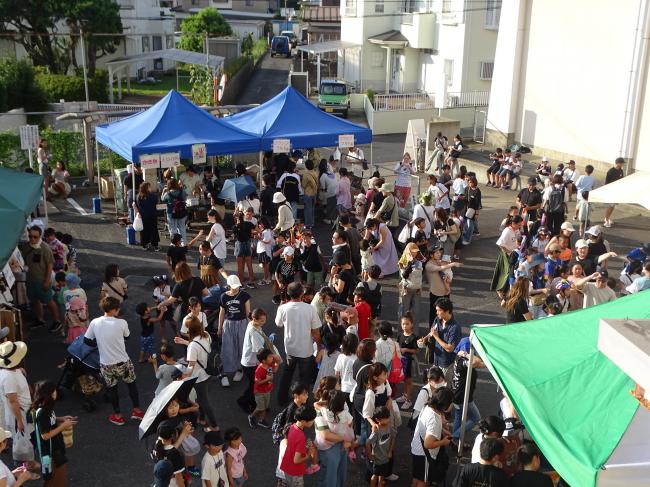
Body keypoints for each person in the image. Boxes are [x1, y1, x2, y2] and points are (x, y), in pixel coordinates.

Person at [84, 297, 143, 426]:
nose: (119, 310)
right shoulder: (121, 323)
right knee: (131, 385)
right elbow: (127, 337)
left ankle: (117, 415)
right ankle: (137, 411)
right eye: (117, 308)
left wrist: (100, 343)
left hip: (106, 364)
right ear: (113, 310)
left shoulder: (95, 322)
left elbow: (87, 340)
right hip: (123, 362)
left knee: (112, 389)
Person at [275, 283, 322, 405]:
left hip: (290, 348)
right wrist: (320, 345)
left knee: (287, 373)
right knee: (304, 378)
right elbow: (316, 331)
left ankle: (282, 399)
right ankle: (303, 402)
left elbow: (278, 324)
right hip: (305, 349)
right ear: (302, 293)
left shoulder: (283, 308)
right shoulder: (310, 308)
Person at [174, 317, 220, 432]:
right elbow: (198, 346)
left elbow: (191, 365)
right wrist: (184, 342)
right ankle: (202, 418)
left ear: (190, 330)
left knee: (204, 400)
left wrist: (182, 375)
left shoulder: (192, 346)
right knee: (201, 398)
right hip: (207, 372)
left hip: (199, 377)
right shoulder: (206, 335)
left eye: (186, 327)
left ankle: (214, 426)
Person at [30, 381, 77, 487]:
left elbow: (50, 422)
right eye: (53, 391)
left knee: (56, 477)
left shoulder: (46, 408)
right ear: (48, 394)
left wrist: (62, 419)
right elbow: (45, 435)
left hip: (55, 448)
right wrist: (63, 426)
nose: (56, 393)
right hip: (51, 451)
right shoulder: (42, 413)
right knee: (57, 478)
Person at [0, 341, 37, 470]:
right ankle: (26, 467)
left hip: (23, 410)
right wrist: (19, 421)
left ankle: (27, 463)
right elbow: (13, 401)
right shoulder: (8, 377)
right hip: (19, 414)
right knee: (22, 440)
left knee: (26, 438)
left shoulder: (13, 371)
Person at [19, 226, 61, 330]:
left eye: (35, 237)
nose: (32, 239)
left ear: (40, 236)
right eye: (30, 236)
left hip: (42, 280)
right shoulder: (26, 246)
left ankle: (57, 321)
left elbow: (50, 265)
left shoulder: (45, 248)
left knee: (49, 300)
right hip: (30, 279)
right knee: (34, 300)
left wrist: (47, 281)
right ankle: (40, 319)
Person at [410, 387, 453, 487]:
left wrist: (442, 430)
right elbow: (428, 444)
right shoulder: (434, 419)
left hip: (417, 450)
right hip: (424, 455)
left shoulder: (428, 406)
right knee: (423, 481)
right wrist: (444, 442)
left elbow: (428, 428)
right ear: (445, 404)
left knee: (417, 478)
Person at [217, 276, 251, 387]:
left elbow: (248, 313)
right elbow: (222, 313)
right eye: (234, 286)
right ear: (228, 286)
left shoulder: (244, 295)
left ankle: (240, 370)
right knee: (228, 348)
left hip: (242, 324)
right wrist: (219, 327)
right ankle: (225, 372)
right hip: (228, 324)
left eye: (237, 286)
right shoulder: (223, 296)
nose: (236, 288)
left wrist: (252, 327)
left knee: (242, 347)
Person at [450, 338, 483, 444]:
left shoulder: (458, 358)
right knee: (476, 419)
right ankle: (454, 436)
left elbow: (478, 364)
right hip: (463, 396)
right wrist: (467, 354)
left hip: (456, 394)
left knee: (458, 417)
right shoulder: (462, 361)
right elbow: (475, 361)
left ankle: (455, 440)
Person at [421, 297, 460, 380]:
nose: (436, 313)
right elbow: (432, 331)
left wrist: (436, 337)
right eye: (436, 310)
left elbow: (450, 348)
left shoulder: (454, 328)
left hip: (447, 365)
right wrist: (424, 339)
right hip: (436, 360)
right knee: (434, 384)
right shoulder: (437, 319)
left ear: (447, 311)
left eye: (439, 310)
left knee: (444, 388)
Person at [280, 406, 318, 487]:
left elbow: (294, 444)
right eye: (312, 420)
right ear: (304, 421)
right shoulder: (301, 437)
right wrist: (309, 454)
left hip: (287, 466)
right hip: (295, 471)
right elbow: (296, 460)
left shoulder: (292, 426)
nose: (313, 422)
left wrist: (305, 446)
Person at [367, 406, 396, 487]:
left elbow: (393, 437)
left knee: (382, 476)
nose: (387, 419)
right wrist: (370, 456)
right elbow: (367, 443)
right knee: (375, 475)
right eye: (385, 418)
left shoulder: (390, 427)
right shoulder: (376, 431)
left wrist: (390, 451)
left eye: (388, 417)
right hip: (377, 459)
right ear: (377, 420)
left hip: (386, 458)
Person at [250, 348, 279, 428]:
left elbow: (274, 370)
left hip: (267, 390)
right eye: (269, 357)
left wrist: (278, 363)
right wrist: (267, 379)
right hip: (259, 392)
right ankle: (252, 416)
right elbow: (257, 382)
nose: (272, 358)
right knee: (260, 407)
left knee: (265, 407)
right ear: (263, 361)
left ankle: (261, 420)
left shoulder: (269, 365)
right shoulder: (259, 370)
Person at [152, 421, 186, 487]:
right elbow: (178, 476)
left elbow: (169, 450)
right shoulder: (175, 454)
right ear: (172, 435)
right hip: (171, 482)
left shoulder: (155, 445)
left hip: (159, 479)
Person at [396, 313, 418, 410]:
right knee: (404, 379)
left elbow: (416, 350)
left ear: (412, 324)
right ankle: (405, 396)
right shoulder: (400, 335)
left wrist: (406, 350)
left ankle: (409, 400)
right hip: (402, 361)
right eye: (403, 324)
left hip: (409, 361)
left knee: (409, 381)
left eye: (407, 324)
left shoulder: (413, 337)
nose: (405, 326)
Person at [134, 182, 160, 251]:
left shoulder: (137, 196)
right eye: (149, 187)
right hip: (152, 215)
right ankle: (155, 245)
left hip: (142, 216)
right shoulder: (153, 196)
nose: (151, 188)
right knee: (153, 230)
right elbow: (157, 205)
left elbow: (135, 205)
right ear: (147, 188)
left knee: (144, 231)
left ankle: (144, 245)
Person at [161, 179, 187, 243]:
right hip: (181, 211)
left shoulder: (168, 193)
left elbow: (163, 199)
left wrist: (163, 191)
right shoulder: (182, 191)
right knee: (182, 228)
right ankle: (184, 242)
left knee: (173, 228)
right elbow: (185, 198)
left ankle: (175, 243)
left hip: (171, 212)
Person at [603, 157, 625, 228]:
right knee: (610, 206)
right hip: (610, 191)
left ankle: (608, 218)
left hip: (617, 191)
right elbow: (606, 183)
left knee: (613, 206)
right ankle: (606, 220)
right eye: (622, 163)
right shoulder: (610, 171)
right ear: (618, 163)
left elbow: (621, 181)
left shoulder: (621, 171)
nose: (623, 164)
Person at [462, 177, 482, 245]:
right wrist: (461, 198)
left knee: (470, 225)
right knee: (462, 223)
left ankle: (467, 239)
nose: (469, 183)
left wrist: (476, 213)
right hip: (465, 209)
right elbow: (465, 198)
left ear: (474, 182)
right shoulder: (467, 189)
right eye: (469, 182)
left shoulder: (477, 191)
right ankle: (463, 236)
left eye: (470, 182)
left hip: (472, 211)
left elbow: (478, 203)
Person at [301, 159, 319, 229]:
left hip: (308, 193)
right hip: (314, 193)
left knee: (307, 209)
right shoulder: (315, 173)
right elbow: (317, 182)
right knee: (312, 209)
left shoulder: (306, 174)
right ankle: (312, 223)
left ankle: (308, 224)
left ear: (306, 166)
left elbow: (303, 185)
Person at [319, 160, 338, 224]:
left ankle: (328, 219)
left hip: (329, 194)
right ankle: (333, 219)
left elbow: (323, 188)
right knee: (333, 206)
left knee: (328, 206)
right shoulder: (333, 174)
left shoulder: (323, 176)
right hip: (336, 193)